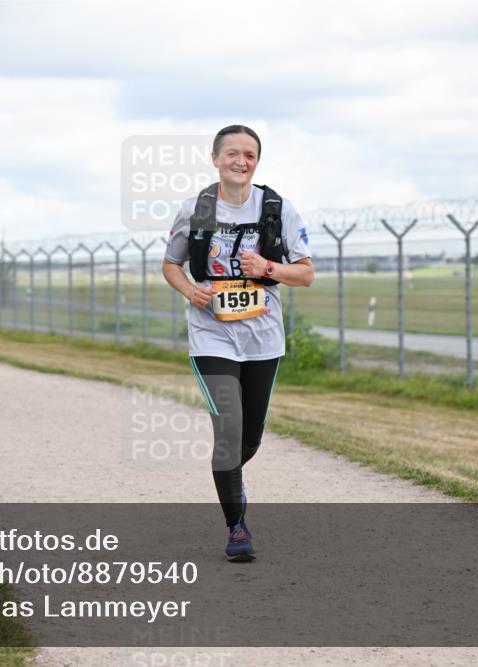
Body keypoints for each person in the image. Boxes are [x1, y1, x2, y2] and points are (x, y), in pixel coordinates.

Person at [162, 125, 314, 562]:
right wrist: (191, 291)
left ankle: (230, 482)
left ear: (256, 162)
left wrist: (268, 267)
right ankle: (237, 528)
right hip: (212, 334)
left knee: (250, 439)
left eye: (249, 154)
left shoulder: (278, 208)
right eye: (232, 153)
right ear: (215, 158)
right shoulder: (196, 209)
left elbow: (305, 272)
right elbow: (172, 265)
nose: (240, 161)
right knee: (228, 434)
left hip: (263, 338)